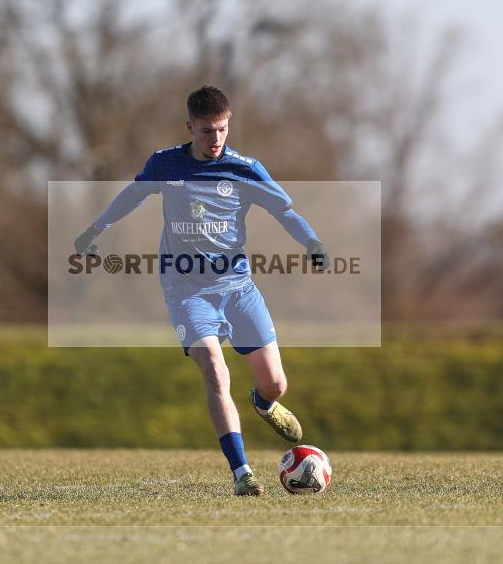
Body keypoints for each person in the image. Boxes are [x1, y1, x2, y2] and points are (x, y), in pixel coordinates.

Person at [74, 86, 328, 496]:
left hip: (238, 289)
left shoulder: (245, 169)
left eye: (223, 129)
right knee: (214, 368)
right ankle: (242, 472)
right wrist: (94, 229)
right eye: (207, 130)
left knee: (276, 385)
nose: (216, 139)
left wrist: (313, 243)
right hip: (186, 290)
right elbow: (131, 196)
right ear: (190, 126)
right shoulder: (165, 163)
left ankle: (263, 404)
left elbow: (285, 210)